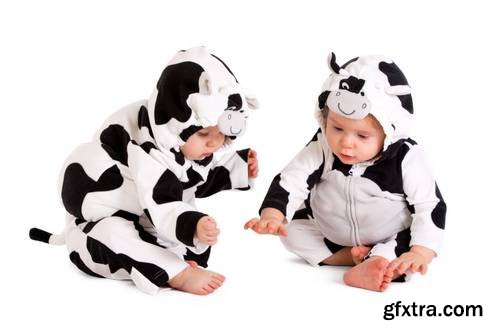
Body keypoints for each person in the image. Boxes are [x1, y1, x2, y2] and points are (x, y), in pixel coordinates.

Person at [29, 46, 259, 295]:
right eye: (203, 133)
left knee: (198, 242)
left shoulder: (179, 144)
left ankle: (168, 259)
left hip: (145, 215)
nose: (214, 143)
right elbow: (163, 198)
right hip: (94, 228)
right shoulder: (148, 149)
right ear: (175, 122)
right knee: (115, 233)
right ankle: (175, 272)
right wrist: (191, 224)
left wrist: (238, 167)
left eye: (221, 134)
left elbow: (191, 180)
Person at [245, 52, 446, 292]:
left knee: (404, 255)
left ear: (389, 132)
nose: (346, 143)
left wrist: (421, 251)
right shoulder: (322, 146)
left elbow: (429, 205)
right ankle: (350, 258)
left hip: (388, 234)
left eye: (362, 136)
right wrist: (273, 215)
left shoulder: (406, 157)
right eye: (337, 128)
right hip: (330, 231)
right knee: (291, 233)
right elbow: (291, 180)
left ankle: (378, 261)